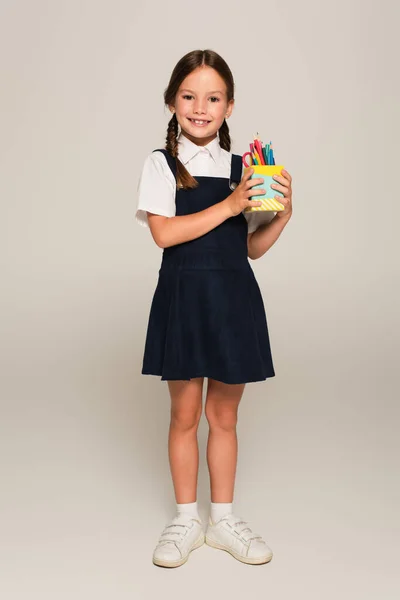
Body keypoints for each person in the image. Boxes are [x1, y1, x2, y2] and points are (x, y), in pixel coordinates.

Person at [135, 49, 293, 568]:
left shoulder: (242, 169)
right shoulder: (161, 164)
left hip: (233, 301)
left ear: (229, 106)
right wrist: (228, 204)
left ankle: (222, 519)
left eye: (213, 98)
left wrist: (282, 213)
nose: (200, 107)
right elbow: (165, 234)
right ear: (172, 100)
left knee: (223, 416)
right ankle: (185, 518)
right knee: (184, 414)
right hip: (183, 298)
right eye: (189, 96)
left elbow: (248, 248)